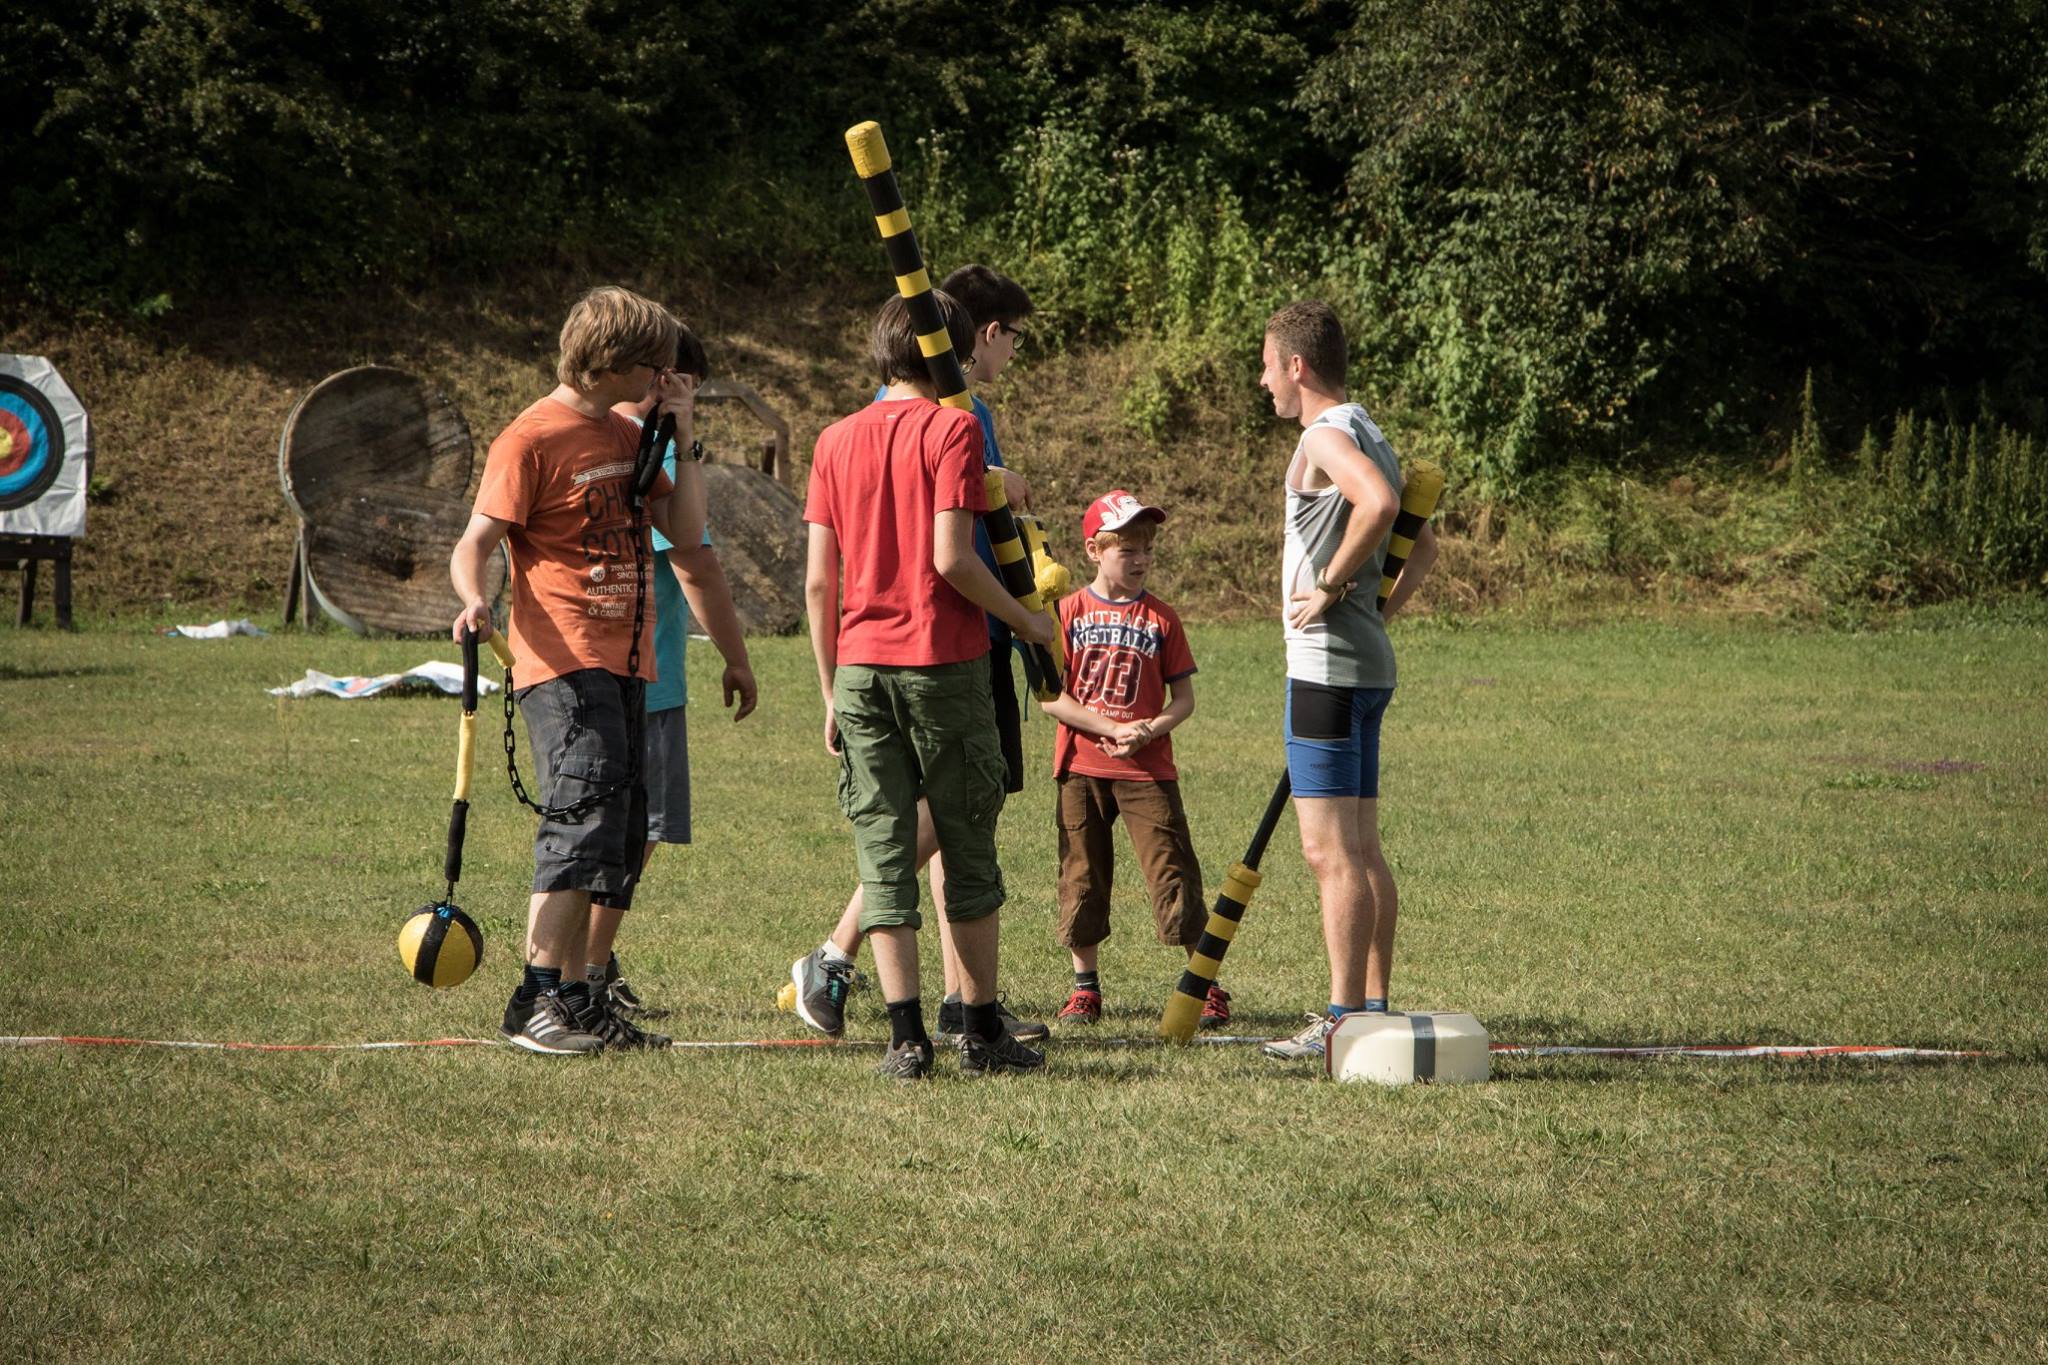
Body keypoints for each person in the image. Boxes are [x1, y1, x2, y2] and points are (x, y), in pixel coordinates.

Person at [788, 264, 1049, 1045]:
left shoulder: (834, 439)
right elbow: (952, 559)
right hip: (941, 659)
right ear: (954, 353)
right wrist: (1025, 620)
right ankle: (980, 1030)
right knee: (966, 845)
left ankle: (906, 1041)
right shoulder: (955, 428)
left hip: (860, 667)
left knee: (884, 848)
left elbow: (817, 583)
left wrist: (830, 691)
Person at [448, 285, 704, 1056]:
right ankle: (533, 999)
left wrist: (682, 432)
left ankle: (580, 999)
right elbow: (474, 543)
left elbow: (685, 531)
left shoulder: (629, 435)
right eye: (654, 365)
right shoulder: (530, 438)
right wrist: (474, 599)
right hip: (563, 663)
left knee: (617, 835)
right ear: (613, 362)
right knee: (580, 819)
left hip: (629, 664)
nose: (664, 376)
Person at [1254, 300, 1438, 1063]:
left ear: (1297, 366)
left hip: (1324, 671)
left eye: (1268, 367)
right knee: (1361, 846)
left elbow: (1382, 505)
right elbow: (1422, 548)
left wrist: (1330, 585)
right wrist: (1373, 609)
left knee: (1329, 853)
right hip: (1365, 665)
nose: (1264, 382)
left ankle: (1341, 1019)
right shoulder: (1372, 432)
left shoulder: (1324, 435)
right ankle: (1374, 1007)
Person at [588, 323, 759, 1030]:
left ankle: (590, 964)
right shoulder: (647, 445)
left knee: (611, 828)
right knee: (635, 830)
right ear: (665, 378)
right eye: (686, 383)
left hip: (602, 669)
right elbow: (695, 562)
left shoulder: (598, 436)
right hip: (645, 678)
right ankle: (588, 972)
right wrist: (737, 657)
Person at [1039, 490, 1229, 1029]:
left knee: (1173, 872)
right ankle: (1084, 989)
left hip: (1148, 770)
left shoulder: (1162, 618)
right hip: (1082, 768)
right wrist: (1110, 728)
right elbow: (1050, 697)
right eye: (1127, 549)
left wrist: (1148, 730)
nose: (1141, 558)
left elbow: (1184, 700)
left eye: (1147, 548)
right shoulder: (1066, 613)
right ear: (1094, 551)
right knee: (1081, 875)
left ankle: (1205, 985)